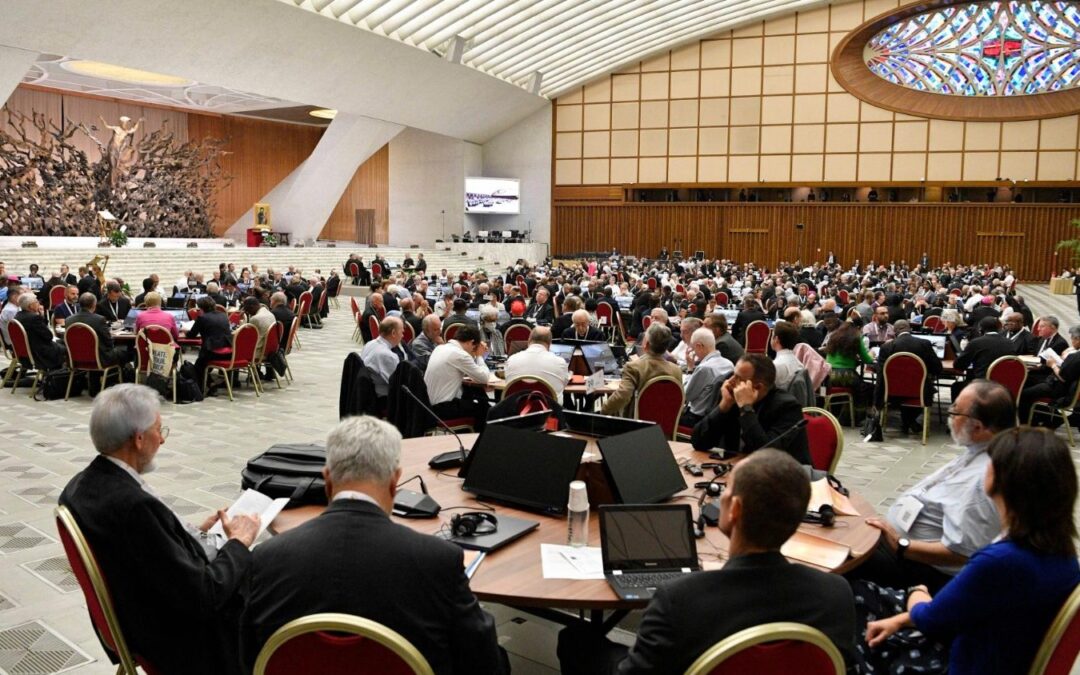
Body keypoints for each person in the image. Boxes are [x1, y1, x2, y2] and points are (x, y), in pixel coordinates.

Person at [557, 449, 859, 675]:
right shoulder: (836, 595)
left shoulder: (680, 600)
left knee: (577, 639)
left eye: (726, 490)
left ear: (735, 509)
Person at [242, 416, 507, 670]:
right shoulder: (438, 560)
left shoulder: (266, 558)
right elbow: (485, 663)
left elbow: (245, 655)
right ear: (394, 481)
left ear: (327, 479)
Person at [59, 384, 259, 675]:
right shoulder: (134, 508)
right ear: (139, 439)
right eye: (158, 430)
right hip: (182, 641)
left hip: (140, 613)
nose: (162, 439)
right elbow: (204, 596)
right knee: (278, 586)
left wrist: (191, 533)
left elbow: (149, 551)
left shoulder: (81, 485)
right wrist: (239, 542)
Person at [859, 427, 1080, 675]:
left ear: (1002, 480)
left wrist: (917, 590)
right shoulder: (1064, 557)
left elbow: (932, 620)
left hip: (960, 662)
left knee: (855, 601)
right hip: (1000, 654)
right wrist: (904, 616)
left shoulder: (1000, 561)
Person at [852, 380, 1015, 593]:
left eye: (955, 412)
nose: (950, 416)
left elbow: (962, 554)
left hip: (922, 568)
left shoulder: (985, 478)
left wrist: (901, 545)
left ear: (977, 427)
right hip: (905, 548)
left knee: (845, 552)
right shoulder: (977, 450)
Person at [690, 353, 810, 464]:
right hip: (735, 468)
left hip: (783, 474)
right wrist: (724, 406)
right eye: (732, 374)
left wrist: (746, 409)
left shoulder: (787, 407)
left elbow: (765, 455)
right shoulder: (731, 397)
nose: (730, 381)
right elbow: (698, 442)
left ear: (758, 387)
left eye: (738, 378)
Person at [875, 319, 942, 434]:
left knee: (900, 390)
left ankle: (907, 421)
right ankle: (909, 421)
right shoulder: (924, 344)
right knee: (926, 388)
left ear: (895, 331)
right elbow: (937, 369)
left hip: (892, 393)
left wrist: (877, 401)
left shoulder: (886, 347)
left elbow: (880, 374)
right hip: (920, 392)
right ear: (910, 329)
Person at [601, 323, 683, 416]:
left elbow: (622, 397)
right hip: (665, 422)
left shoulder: (633, 367)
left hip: (636, 423)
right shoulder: (677, 370)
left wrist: (603, 411)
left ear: (646, 344)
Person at [424, 324, 492, 430]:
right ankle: (479, 439)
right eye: (473, 348)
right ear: (471, 342)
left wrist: (475, 351)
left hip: (428, 406)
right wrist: (479, 356)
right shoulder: (460, 355)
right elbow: (484, 378)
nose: (472, 351)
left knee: (472, 398)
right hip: (442, 408)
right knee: (485, 410)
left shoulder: (440, 348)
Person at [1019, 323, 1080, 424]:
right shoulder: (1075, 355)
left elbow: (1063, 377)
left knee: (1023, 393)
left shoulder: (1075, 357)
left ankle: (1026, 423)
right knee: (1030, 382)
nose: (1072, 342)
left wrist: (1053, 365)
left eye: (1072, 339)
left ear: (1077, 339)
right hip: (1066, 387)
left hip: (1059, 389)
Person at [680, 327, 734, 428]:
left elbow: (685, 396)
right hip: (716, 418)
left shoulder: (704, 368)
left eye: (694, 349)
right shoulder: (729, 364)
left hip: (696, 419)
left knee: (660, 415)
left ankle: (661, 437)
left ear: (699, 346)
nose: (694, 353)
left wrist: (690, 369)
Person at [950, 316, 1014, 399]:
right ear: (999, 328)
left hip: (982, 385)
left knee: (956, 387)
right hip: (1003, 385)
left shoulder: (976, 343)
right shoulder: (1010, 343)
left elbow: (958, 365)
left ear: (980, 329)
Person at [503, 326, 571, 399]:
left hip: (517, 405)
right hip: (549, 405)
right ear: (550, 344)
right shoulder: (560, 362)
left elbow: (508, 381)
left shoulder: (511, 360)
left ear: (529, 340)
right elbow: (564, 384)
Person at [65, 292, 131, 366]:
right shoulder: (99, 319)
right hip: (99, 359)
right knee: (126, 349)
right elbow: (108, 342)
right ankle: (124, 372)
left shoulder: (68, 320)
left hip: (75, 359)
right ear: (94, 304)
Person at [186, 297, 233, 391]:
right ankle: (210, 382)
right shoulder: (223, 315)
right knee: (202, 364)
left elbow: (191, 335)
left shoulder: (202, 318)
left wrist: (185, 331)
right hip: (229, 352)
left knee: (198, 366)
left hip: (212, 352)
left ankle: (204, 387)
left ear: (201, 308)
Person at [360, 316, 406, 408]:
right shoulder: (388, 355)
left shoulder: (369, 344)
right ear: (393, 333)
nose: (402, 336)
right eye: (401, 332)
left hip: (365, 395)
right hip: (382, 401)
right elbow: (399, 385)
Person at [14, 293, 66, 370]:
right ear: (31, 306)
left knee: (62, 341)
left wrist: (40, 316)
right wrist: (40, 316)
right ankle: (65, 374)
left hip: (29, 350)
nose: (39, 303)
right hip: (40, 352)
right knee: (69, 346)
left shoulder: (18, 316)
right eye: (36, 302)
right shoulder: (34, 318)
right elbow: (48, 336)